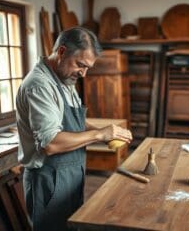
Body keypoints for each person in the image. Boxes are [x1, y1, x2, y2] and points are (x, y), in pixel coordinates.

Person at [16, 27, 132, 231]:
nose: (84, 74)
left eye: (88, 67)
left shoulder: (64, 78)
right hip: (48, 180)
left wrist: (105, 131)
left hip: (70, 174)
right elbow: (51, 143)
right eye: (81, 65)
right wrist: (99, 134)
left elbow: (76, 121)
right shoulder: (40, 85)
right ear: (61, 52)